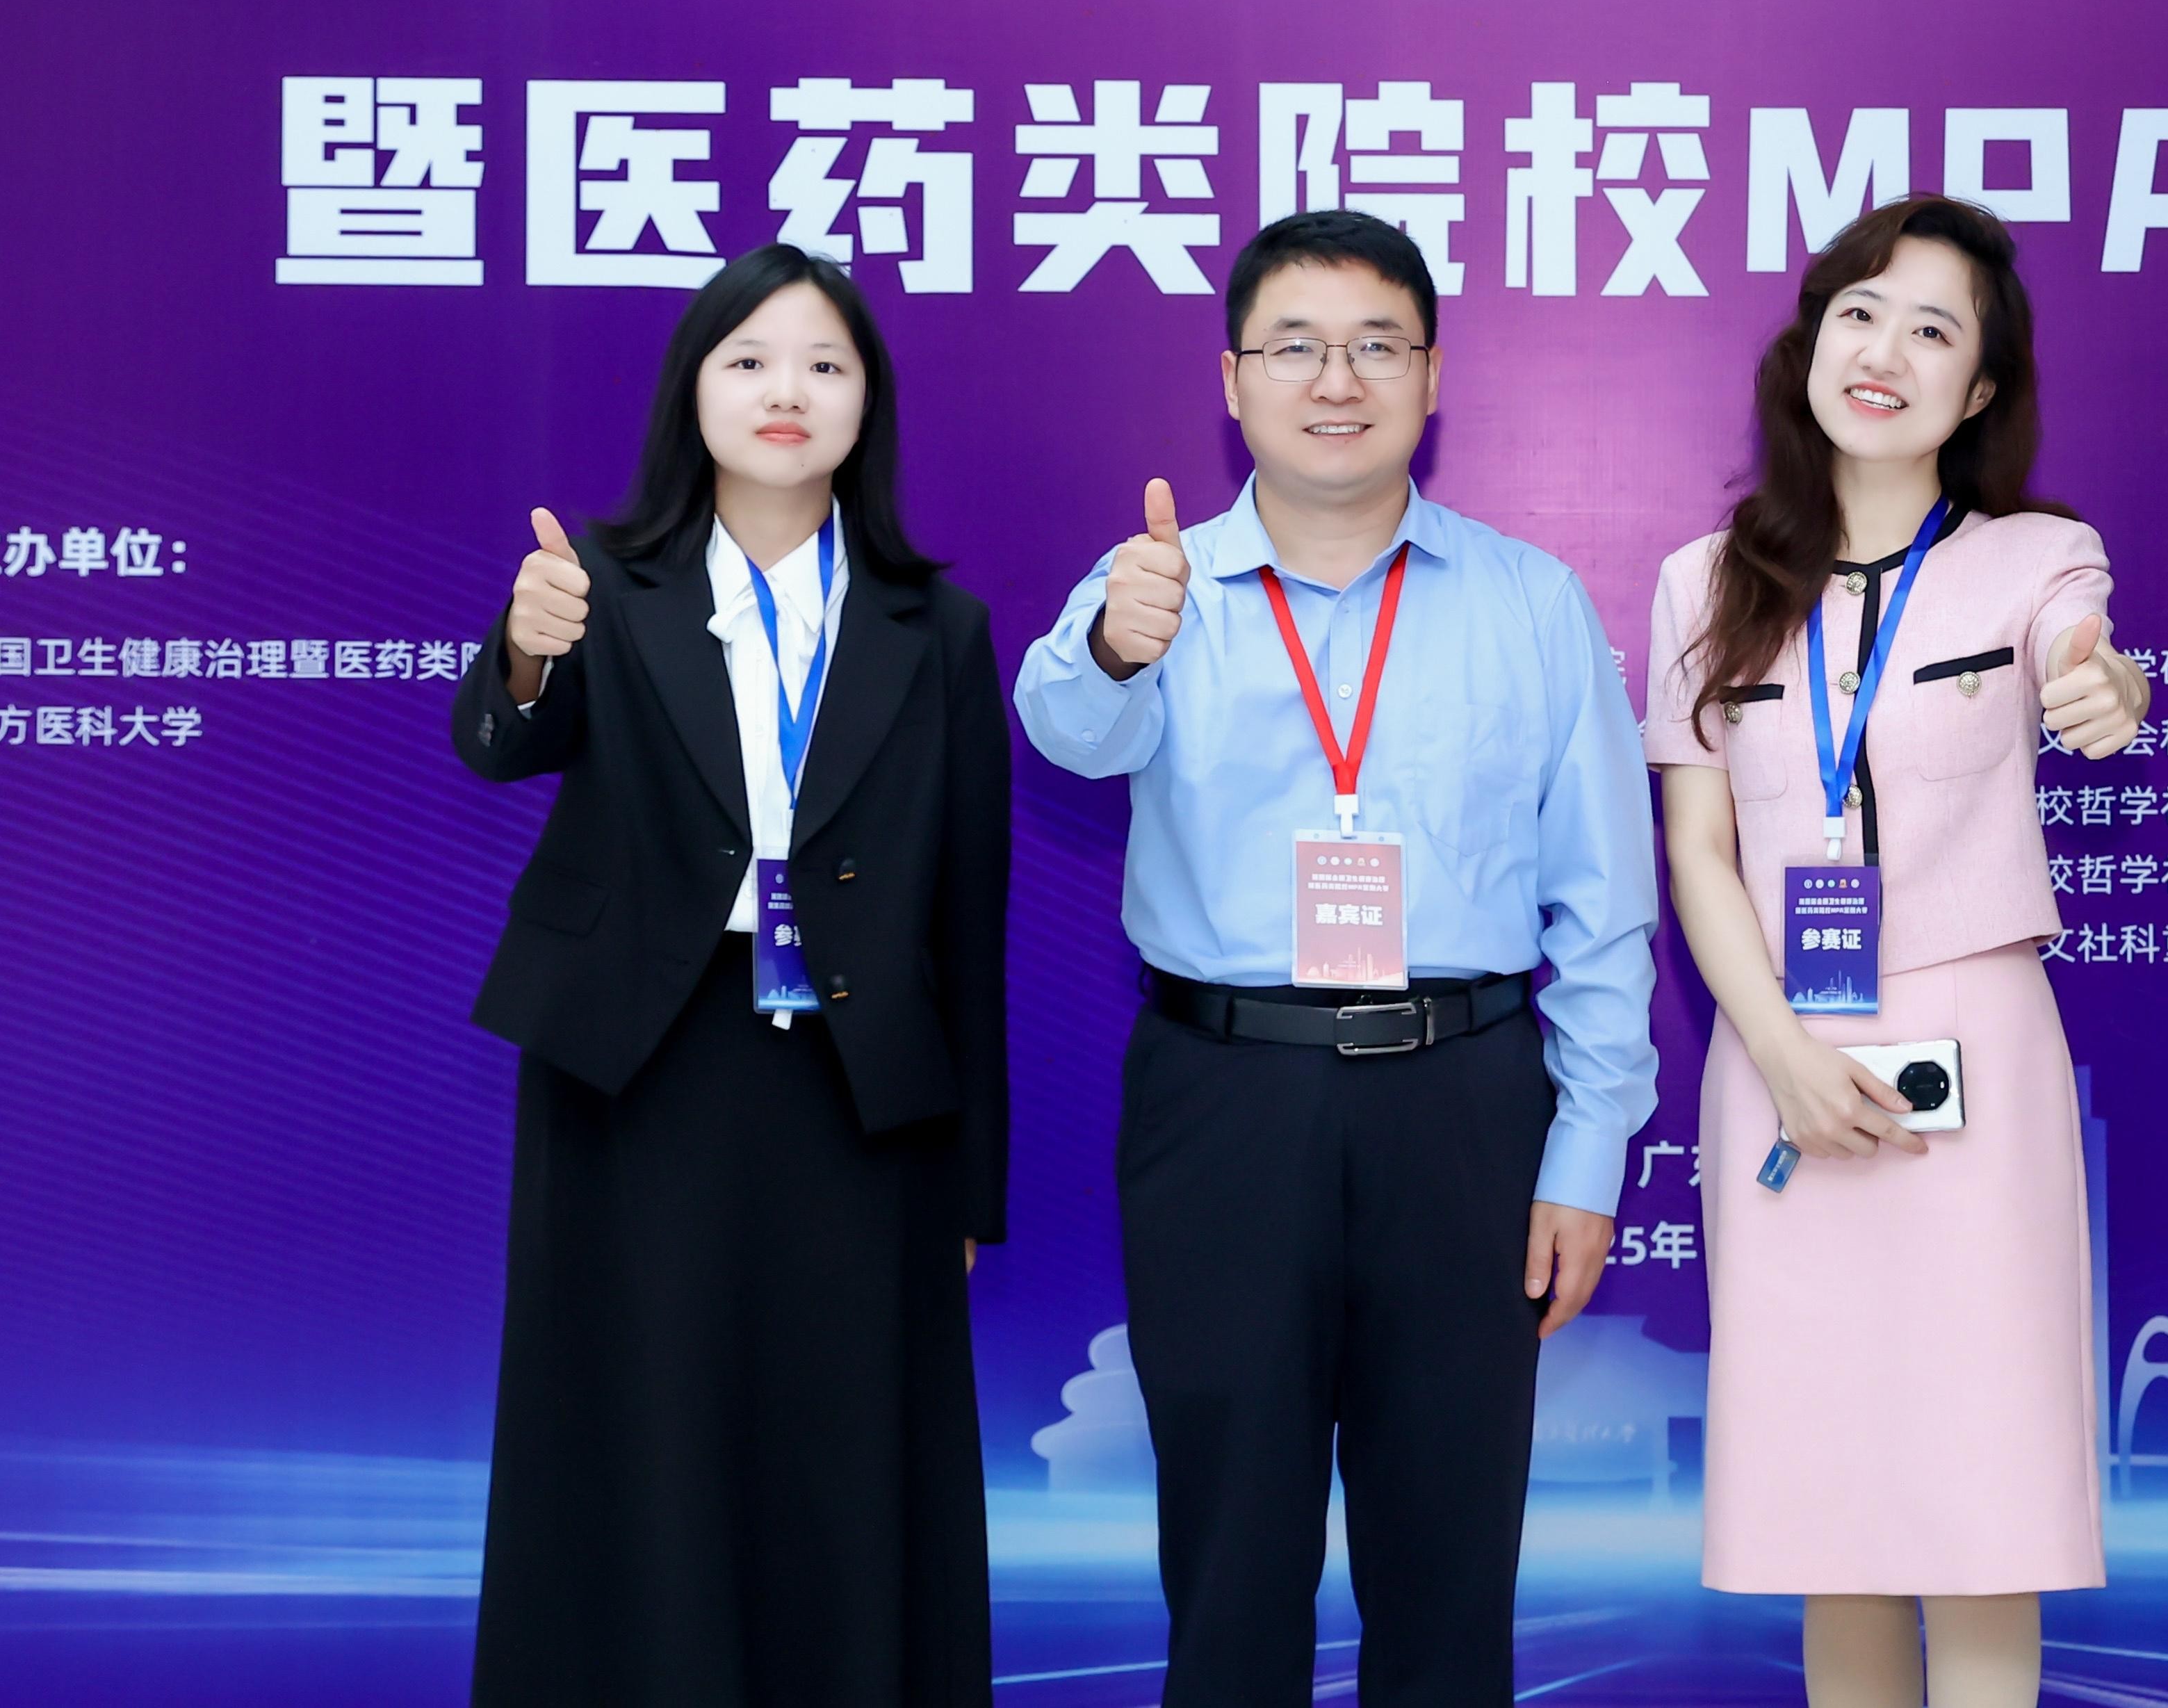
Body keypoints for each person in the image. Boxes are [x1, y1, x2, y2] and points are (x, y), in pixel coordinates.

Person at [1015, 209, 1658, 1708]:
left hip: (1465, 1099)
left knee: (1448, 1559)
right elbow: (1065, 731)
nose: (1336, 380)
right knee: (1230, 1550)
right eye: (1294, 346)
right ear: (1231, 380)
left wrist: (1584, 1155)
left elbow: (1603, 904)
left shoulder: (1529, 600)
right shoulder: (1156, 584)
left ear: (1432, 377)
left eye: (1378, 345)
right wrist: (1114, 644)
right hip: (1224, 1096)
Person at [449, 243, 1013, 1708]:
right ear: (690, 393)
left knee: (845, 1451)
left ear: (866, 403)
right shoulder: (600, 586)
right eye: (749, 359)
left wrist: (972, 1182)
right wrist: (523, 651)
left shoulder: (936, 626)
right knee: (636, 1434)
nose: (787, 391)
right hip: (637, 1068)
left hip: (856, 1083)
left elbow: (970, 916)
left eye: (825, 364)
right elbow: (501, 744)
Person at [1643, 196, 2152, 1708]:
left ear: (1979, 387)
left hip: (1974, 1052)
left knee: (1982, 1493)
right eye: (1859, 315)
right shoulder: (1700, 581)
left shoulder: (2036, 557)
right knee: (1832, 1500)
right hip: (1780, 1051)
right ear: (1809, 343)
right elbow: (1697, 851)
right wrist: (1783, 1056)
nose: (1884, 353)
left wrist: (2104, 688)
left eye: (1933, 330)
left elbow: (2083, 651)